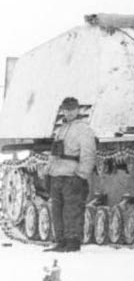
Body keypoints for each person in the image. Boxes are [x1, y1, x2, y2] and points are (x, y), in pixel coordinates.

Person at [44, 97, 96, 252]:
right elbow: (54, 153)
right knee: (57, 210)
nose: (69, 112)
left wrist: (81, 175)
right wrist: (48, 171)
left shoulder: (83, 129)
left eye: (72, 109)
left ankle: (72, 242)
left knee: (72, 210)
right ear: (63, 110)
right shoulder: (61, 129)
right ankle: (60, 241)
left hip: (72, 175)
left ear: (78, 110)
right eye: (66, 109)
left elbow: (88, 154)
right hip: (57, 174)